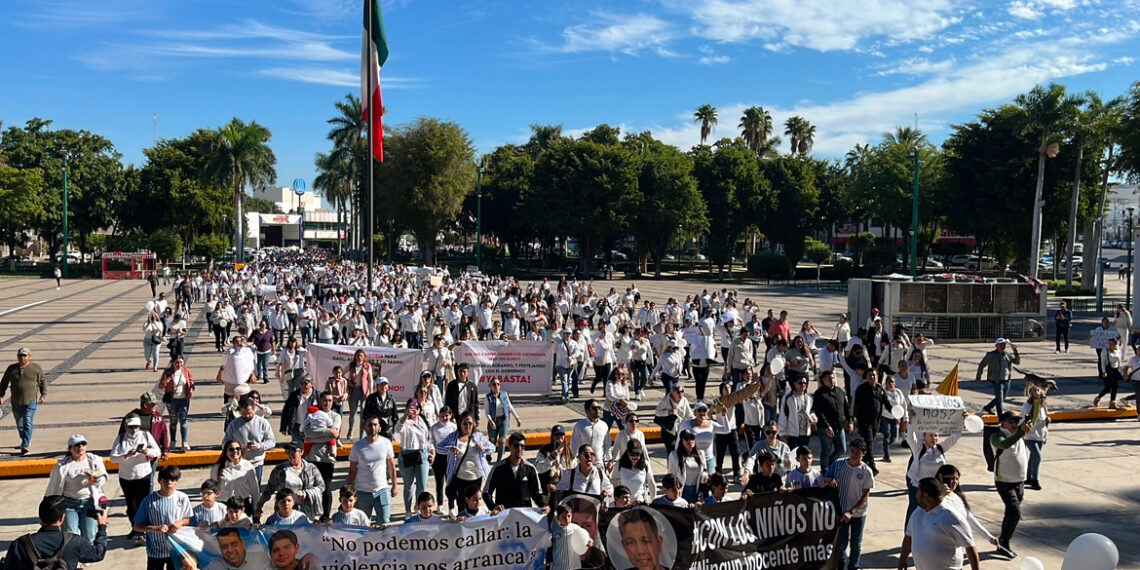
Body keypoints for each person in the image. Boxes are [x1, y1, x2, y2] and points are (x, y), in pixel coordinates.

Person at [3, 495, 108, 570]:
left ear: (40, 519)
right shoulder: (75, 541)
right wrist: (102, 527)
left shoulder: (20, 544)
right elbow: (98, 554)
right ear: (62, 519)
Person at [898, 478, 980, 570]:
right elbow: (909, 537)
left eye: (918, 492)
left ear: (925, 496)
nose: (916, 495)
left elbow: (970, 546)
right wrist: (902, 559)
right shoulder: (917, 513)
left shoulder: (951, 516)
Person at [45, 434, 107, 546]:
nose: (80, 447)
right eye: (76, 445)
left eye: (83, 444)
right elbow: (53, 486)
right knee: (70, 534)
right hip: (69, 504)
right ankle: (73, 558)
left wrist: (93, 478)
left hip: (89, 502)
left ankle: (86, 555)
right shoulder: (62, 466)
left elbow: (102, 477)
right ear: (70, 449)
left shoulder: (94, 461)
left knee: (90, 534)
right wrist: (49, 503)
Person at [110, 414, 161, 545]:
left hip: (143, 476)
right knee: (131, 506)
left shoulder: (145, 435)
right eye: (131, 427)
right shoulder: (120, 438)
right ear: (126, 426)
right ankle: (136, 528)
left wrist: (147, 452)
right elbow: (113, 458)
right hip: (126, 478)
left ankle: (142, 530)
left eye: (136, 427)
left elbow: (157, 451)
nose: (134, 430)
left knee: (143, 504)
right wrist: (125, 455)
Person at [824, 439, 874, 570]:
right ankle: (841, 563)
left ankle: (854, 567)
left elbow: (865, 496)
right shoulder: (838, 464)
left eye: (858, 452)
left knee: (856, 544)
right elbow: (826, 478)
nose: (854, 454)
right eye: (852, 451)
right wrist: (830, 482)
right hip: (840, 512)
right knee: (841, 543)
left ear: (863, 453)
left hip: (858, 513)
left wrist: (851, 512)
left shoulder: (866, 472)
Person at [936, 465, 1002, 560]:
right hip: (940, 549)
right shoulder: (934, 500)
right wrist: (939, 495)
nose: (954, 482)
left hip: (957, 551)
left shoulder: (958, 497)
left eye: (956, 479)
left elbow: (969, 518)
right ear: (941, 477)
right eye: (951, 479)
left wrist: (989, 537)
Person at [132, 466, 192, 570]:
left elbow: (187, 519)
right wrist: (155, 529)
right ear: (159, 480)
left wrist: (180, 523)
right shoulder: (149, 501)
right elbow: (137, 526)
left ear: (177, 482)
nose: (169, 483)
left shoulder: (182, 498)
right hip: (155, 551)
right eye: (165, 480)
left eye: (172, 480)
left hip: (176, 549)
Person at [990, 410, 1030, 558]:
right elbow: (1004, 445)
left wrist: (1038, 399)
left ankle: (1003, 540)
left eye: (1016, 422)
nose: (1015, 424)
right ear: (1003, 423)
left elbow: (1034, 414)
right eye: (1011, 421)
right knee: (1015, 512)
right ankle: (1004, 542)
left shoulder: (1019, 432)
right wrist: (1021, 432)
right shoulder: (997, 436)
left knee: (1011, 513)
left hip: (1019, 481)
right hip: (1004, 481)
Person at [437, 412, 496, 511]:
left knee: (474, 504)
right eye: (465, 423)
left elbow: (493, 448)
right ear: (460, 424)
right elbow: (439, 447)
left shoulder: (478, 436)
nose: (467, 426)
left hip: (476, 477)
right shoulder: (454, 437)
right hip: (460, 477)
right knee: (462, 505)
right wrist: (450, 449)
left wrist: (483, 449)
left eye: (470, 423)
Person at [345, 415, 398, 525]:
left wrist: (395, 485)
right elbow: (352, 470)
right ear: (365, 427)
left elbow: (391, 466)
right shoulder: (357, 446)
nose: (372, 427)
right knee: (363, 525)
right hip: (362, 492)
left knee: (384, 523)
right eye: (370, 425)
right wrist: (348, 489)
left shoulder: (386, 443)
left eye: (375, 424)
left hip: (382, 490)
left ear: (379, 428)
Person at [256, 443, 324, 522]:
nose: (290, 454)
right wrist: (258, 506)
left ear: (301, 452)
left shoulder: (311, 468)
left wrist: (307, 493)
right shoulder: (279, 470)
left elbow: (321, 487)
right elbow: (268, 491)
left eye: (293, 450)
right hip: (283, 512)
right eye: (287, 451)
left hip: (304, 512)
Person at [0, 347, 47, 455]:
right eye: (20, 355)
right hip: (16, 401)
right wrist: (1, 395)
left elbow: (42, 382)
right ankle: (24, 439)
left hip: (31, 401)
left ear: (29, 357)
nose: (22, 358)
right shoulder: (12, 369)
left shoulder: (35, 368)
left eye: (24, 355)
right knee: (20, 424)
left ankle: (25, 444)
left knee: (28, 420)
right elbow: (4, 383)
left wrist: (43, 395)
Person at [303, 391, 341, 520]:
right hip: (312, 458)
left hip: (326, 458)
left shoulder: (336, 416)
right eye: (325, 400)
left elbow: (334, 434)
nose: (327, 403)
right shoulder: (312, 414)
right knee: (311, 489)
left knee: (327, 489)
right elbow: (307, 433)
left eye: (330, 401)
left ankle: (325, 516)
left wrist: (313, 438)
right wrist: (326, 433)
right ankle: (311, 514)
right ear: (320, 401)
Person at [483, 432, 545, 510]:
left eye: (522, 446)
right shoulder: (498, 468)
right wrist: (494, 507)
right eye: (516, 445)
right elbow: (486, 493)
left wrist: (544, 506)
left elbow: (537, 494)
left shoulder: (530, 469)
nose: (519, 449)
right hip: (504, 515)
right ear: (509, 447)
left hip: (524, 515)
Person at [223, 395, 276, 484]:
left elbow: (271, 441)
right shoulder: (233, 424)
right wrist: (236, 448)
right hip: (239, 462)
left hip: (256, 462)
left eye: (249, 413)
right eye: (244, 413)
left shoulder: (263, 423)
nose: (247, 416)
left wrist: (259, 446)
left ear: (254, 409)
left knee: (255, 488)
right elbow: (225, 442)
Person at [394, 399, 434, 513]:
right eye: (411, 408)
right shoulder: (404, 422)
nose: (414, 410)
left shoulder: (423, 421)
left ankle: (418, 507)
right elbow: (397, 430)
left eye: (416, 408)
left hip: (422, 454)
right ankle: (407, 510)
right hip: (407, 454)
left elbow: (428, 439)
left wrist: (431, 451)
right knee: (408, 485)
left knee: (422, 485)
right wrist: (406, 415)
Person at [853, 368, 890, 476]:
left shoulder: (880, 389)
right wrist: (854, 419)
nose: (872, 377)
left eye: (874, 375)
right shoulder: (861, 389)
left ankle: (863, 462)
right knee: (869, 443)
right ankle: (873, 467)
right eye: (870, 375)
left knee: (869, 443)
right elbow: (856, 405)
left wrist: (895, 412)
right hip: (864, 422)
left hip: (875, 422)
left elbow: (886, 403)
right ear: (866, 377)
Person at [209, 440, 260, 517]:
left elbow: (254, 490)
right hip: (223, 506)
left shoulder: (248, 466)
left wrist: (256, 507)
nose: (235, 451)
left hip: (243, 506)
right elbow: (213, 490)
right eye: (231, 449)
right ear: (226, 452)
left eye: (238, 449)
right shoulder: (217, 468)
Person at [813, 370, 851, 469]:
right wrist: (826, 426)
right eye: (829, 379)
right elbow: (819, 412)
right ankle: (825, 471)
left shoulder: (839, 391)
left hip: (839, 427)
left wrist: (850, 421)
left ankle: (830, 463)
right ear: (823, 380)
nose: (832, 380)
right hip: (826, 429)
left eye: (833, 378)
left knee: (842, 449)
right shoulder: (819, 394)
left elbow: (846, 408)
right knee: (826, 450)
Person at [156, 356, 195, 453]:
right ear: (173, 363)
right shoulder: (168, 372)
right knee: (173, 421)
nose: (179, 365)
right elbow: (161, 386)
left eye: (181, 362)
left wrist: (192, 385)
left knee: (184, 420)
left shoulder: (186, 370)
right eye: (177, 363)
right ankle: (173, 441)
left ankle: (184, 442)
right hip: (172, 400)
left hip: (183, 400)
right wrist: (166, 382)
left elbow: (190, 380)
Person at [974, 338, 1020, 416]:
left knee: (1001, 398)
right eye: (1000, 344)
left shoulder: (1007, 355)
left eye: (1004, 345)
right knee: (999, 401)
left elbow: (1017, 362)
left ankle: (988, 407)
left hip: (1007, 380)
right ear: (996, 345)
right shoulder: (991, 355)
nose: (1002, 346)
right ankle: (1000, 418)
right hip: (997, 381)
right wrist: (978, 376)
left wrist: (1015, 351)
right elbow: (982, 365)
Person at [741, 420, 795, 485]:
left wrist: (789, 465)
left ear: (778, 431)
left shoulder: (784, 447)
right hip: (764, 482)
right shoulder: (759, 445)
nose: (771, 435)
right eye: (768, 432)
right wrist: (747, 472)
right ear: (764, 432)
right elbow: (751, 458)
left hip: (780, 483)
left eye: (774, 432)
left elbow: (790, 467)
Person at [430, 407, 458, 516]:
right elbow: (431, 441)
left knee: (450, 483)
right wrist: (432, 451)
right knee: (439, 483)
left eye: (447, 415)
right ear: (439, 416)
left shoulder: (454, 427)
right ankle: (440, 505)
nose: (445, 418)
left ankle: (451, 507)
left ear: (450, 416)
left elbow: (457, 440)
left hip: (450, 458)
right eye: (442, 416)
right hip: (438, 458)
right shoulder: (435, 428)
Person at [485, 378, 521, 461]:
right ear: (490, 386)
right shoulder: (488, 397)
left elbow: (510, 406)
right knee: (492, 440)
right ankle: (489, 454)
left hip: (504, 420)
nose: (496, 386)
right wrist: (491, 421)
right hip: (493, 421)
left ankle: (499, 460)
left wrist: (517, 418)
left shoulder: (504, 394)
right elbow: (487, 412)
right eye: (494, 384)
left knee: (502, 441)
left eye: (498, 384)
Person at [609, 439, 656, 504]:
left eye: (637, 454)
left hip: (640, 503)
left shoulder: (645, 464)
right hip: (624, 504)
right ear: (627, 452)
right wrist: (614, 502)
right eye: (632, 454)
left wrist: (652, 501)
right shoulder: (619, 465)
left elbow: (652, 484)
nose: (635, 456)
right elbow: (613, 483)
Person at [1021, 384, 1050, 490]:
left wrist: (1048, 420)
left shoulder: (1043, 406)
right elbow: (1021, 418)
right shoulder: (1027, 405)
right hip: (1030, 435)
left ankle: (1028, 477)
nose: (1036, 392)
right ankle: (1035, 479)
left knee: (1033, 457)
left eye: (1037, 390)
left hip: (1040, 435)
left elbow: (1045, 418)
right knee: (1037, 455)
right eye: (1033, 391)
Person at [570, 399, 613, 469]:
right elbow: (574, 444)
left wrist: (609, 460)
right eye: (594, 408)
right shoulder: (580, 425)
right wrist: (572, 461)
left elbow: (607, 444)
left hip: (599, 464)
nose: (598, 410)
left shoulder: (604, 425)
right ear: (587, 411)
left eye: (599, 408)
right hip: (583, 465)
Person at [667, 430, 706, 504]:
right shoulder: (674, 455)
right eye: (686, 438)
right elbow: (671, 475)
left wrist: (705, 474)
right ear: (681, 441)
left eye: (692, 438)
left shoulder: (701, 454)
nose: (690, 441)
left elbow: (704, 470)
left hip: (696, 490)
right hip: (682, 490)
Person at [652, 385, 693, 455]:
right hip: (669, 430)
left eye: (682, 391)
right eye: (678, 392)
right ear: (673, 393)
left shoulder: (684, 400)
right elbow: (657, 412)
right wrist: (668, 412)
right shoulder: (665, 400)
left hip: (681, 430)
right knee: (671, 452)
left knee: (683, 452)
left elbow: (689, 415)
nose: (680, 394)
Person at [280, 376, 321, 446]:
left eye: (306, 383)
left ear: (311, 384)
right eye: (301, 383)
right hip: (296, 427)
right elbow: (286, 411)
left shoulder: (318, 396)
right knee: (297, 448)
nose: (303, 386)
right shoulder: (294, 395)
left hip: (311, 427)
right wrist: (283, 427)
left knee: (310, 448)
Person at [550, 504, 592, 570]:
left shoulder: (576, 528)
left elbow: (585, 537)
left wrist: (589, 542)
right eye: (563, 517)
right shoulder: (554, 529)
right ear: (558, 517)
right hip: (558, 565)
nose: (567, 519)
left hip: (573, 566)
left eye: (569, 516)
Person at [777, 377, 814, 450]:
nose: (803, 385)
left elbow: (812, 411)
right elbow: (783, 415)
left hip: (806, 432)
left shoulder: (809, 397)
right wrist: (782, 431)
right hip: (792, 433)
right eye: (800, 383)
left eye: (805, 383)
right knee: (793, 455)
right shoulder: (788, 397)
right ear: (795, 384)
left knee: (803, 454)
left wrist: (813, 417)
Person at [345, 349, 373, 439]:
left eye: (361, 356)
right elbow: (341, 373)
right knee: (352, 414)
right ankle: (350, 431)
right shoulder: (351, 365)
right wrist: (348, 381)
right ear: (355, 356)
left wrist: (370, 392)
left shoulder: (367, 366)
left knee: (363, 414)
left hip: (364, 391)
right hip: (353, 391)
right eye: (358, 355)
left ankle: (362, 435)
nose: (359, 357)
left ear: (364, 357)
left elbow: (370, 379)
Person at [1096, 336, 1123, 409]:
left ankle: (1112, 402)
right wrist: (1103, 372)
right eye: (1109, 344)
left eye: (1112, 344)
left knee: (1115, 386)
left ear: (1115, 344)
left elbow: (1120, 363)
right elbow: (1103, 362)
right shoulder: (1105, 351)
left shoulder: (1118, 351)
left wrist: (1122, 372)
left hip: (1115, 370)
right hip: (1108, 370)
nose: (1110, 345)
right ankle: (1097, 398)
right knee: (1108, 388)